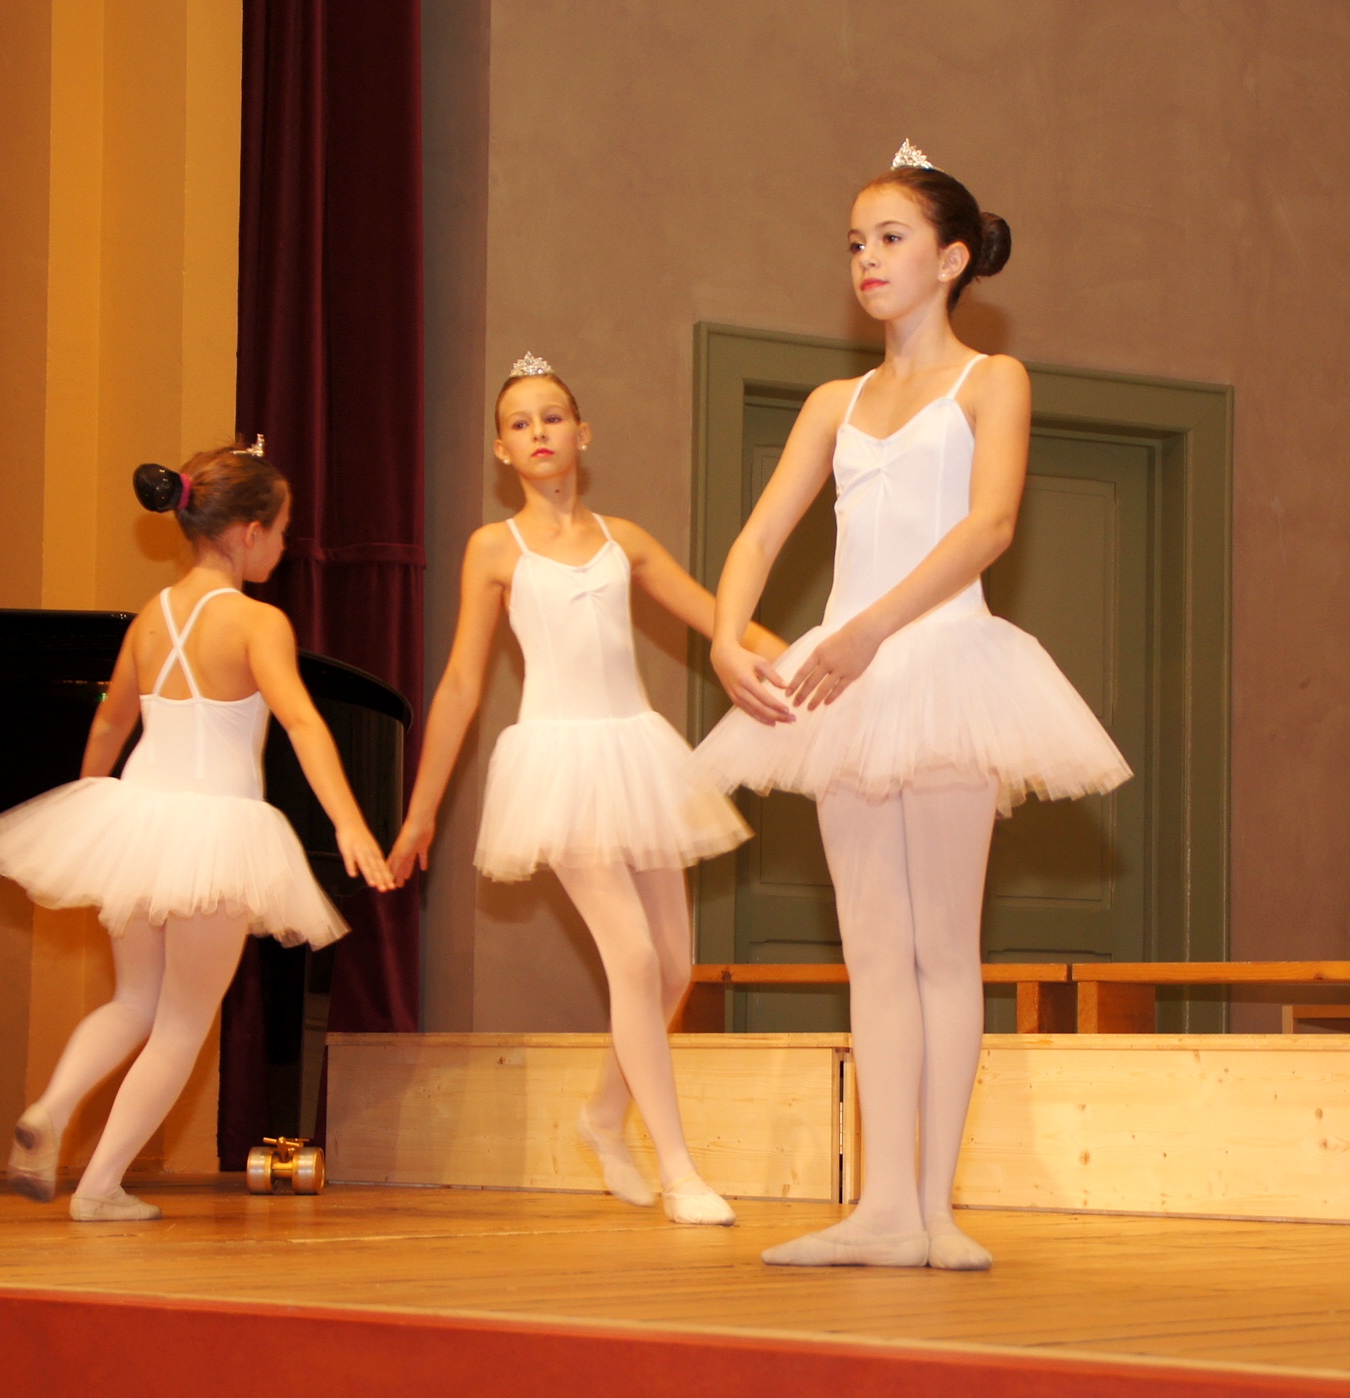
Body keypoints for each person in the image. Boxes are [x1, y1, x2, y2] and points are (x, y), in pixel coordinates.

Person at [696, 142, 1130, 1270]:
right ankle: (883, 1206)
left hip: (940, 669)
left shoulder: (992, 380)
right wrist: (727, 634)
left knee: (943, 943)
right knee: (874, 950)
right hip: (844, 680)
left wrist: (868, 631)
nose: (867, 259)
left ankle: (936, 1208)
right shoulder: (833, 402)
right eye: (855, 242)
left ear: (951, 259)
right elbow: (760, 535)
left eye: (891, 238)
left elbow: (989, 527)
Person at [386, 357, 778, 1226]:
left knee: (673, 967)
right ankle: (679, 1169)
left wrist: (805, 663)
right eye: (520, 423)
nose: (538, 432)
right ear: (502, 450)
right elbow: (461, 683)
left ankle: (603, 1117)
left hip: (635, 753)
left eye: (552, 416)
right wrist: (421, 811)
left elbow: (718, 620)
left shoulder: (624, 540)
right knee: (631, 958)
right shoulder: (495, 549)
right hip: (558, 764)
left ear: (582, 432)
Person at [0, 442, 396, 1220]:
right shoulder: (257, 622)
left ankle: (51, 1107)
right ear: (247, 532)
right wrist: (349, 821)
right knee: (179, 1023)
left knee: (132, 999)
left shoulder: (152, 616)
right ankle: (99, 1187)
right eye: (282, 531)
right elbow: (303, 722)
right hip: (214, 830)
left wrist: (90, 806)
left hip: (138, 818)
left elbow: (111, 722)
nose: (284, 546)